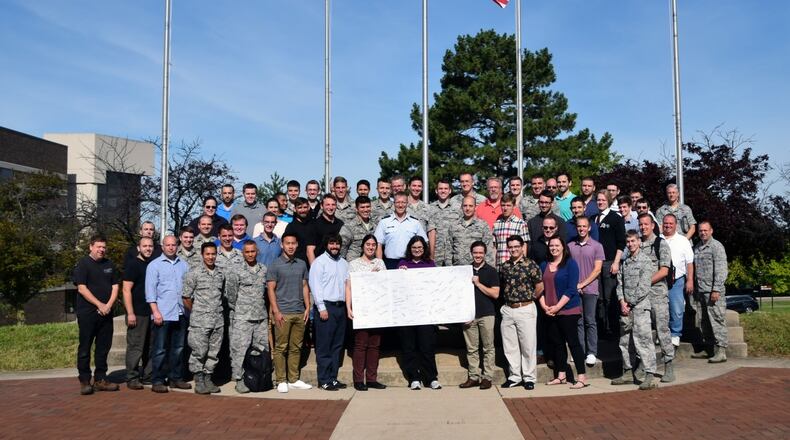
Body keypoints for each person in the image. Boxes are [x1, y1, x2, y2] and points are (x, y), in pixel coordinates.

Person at [73, 234, 120, 395]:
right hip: (88, 313)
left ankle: (100, 379)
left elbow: (115, 286)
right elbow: (82, 288)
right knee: (85, 347)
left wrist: (108, 305)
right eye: (98, 247)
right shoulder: (83, 264)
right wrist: (99, 304)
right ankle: (85, 380)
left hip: (106, 313)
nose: (101, 250)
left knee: (103, 348)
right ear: (91, 247)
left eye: (104, 247)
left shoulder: (109, 264)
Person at [539, 236, 588, 389]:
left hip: (567, 310)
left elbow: (571, 289)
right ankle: (561, 375)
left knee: (573, 343)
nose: (554, 248)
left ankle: (581, 377)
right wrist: (544, 306)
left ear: (563, 247)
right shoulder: (544, 265)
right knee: (557, 344)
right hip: (550, 311)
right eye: (551, 245)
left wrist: (557, 307)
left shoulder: (570, 264)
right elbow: (539, 288)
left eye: (557, 245)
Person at [611, 231, 658, 390]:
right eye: (628, 242)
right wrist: (622, 301)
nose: (630, 244)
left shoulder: (645, 261)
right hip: (626, 309)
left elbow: (644, 287)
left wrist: (629, 303)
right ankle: (627, 371)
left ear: (639, 242)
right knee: (625, 342)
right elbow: (620, 284)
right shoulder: (625, 262)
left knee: (643, 341)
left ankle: (649, 374)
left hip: (640, 308)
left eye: (633, 241)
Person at [267, 232, 313, 393]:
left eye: (293, 243)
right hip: (282, 313)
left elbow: (305, 286)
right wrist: (276, 311)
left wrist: (308, 307)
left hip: (299, 312)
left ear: (297, 244)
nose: (291, 246)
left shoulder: (301, 264)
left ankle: (293, 379)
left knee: (296, 347)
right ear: (282, 245)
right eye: (287, 243)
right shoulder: (275, 265)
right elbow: (271, 289)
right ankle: (281, 380)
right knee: (281, 347)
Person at [146, 235, 191, 393]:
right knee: (159, 349)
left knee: (178, 348)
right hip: (163, 314)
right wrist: (155, 312)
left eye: (174, 245)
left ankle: (175, 378)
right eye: (168, 245)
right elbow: (150, 292)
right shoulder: (154, 265)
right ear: (162, 246)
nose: (171, 247)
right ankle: (158, 380)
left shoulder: (184, 265)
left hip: (180, 313)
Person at [499, 235, 544, 390]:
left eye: (516, 246)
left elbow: (539, 286)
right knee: (510, 346)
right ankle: (514, 376)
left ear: (522, 246)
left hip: (525, 308)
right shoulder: (504, 266)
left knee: (528, 345)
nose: (513, 249)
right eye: (510, 247)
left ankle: (529, 377)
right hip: (508, 309)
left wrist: (530, 298)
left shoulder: (531, 265)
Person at [397, 236, 441, 390]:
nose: (417, 250)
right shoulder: (402, 264)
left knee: (426, 346)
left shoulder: (430, 264)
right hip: (407, 314)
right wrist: (399, 273)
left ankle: (431, 378)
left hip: (425, 312)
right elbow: (397, 287)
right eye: (414, 247)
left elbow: (436, 286)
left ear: (424, 249)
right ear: (410, 248)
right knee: (409, 347)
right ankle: (414, 378)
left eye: (420, 247)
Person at [345, 235, 388, 391]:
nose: (370, 247)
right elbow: (348, 287)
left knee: (374, 345)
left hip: (377, 309)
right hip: (361, 308)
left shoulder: (380, 263)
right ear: (363, 246)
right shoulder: (354, 264)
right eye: (368, 244)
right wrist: (348, 307)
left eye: (373, 245)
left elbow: (386, 284)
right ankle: (358, 380)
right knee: (361, 344)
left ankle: (371, 379)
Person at [182, 242, 226, 395]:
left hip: (217, 320)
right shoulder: (194, 273)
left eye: (213, 254)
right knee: (199, 351)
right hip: (200, 320)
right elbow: (186, 296)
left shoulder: (221, 273)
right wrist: (197, 311)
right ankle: (198, 379)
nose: (210, 257)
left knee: (214, 352)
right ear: (202, 255)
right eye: (207, 254)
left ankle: (208, 377)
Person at [637, 213, 675, 382]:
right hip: (640, 298)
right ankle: (644, 366)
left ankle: (669, 365)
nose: (643, 227)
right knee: (643, 333)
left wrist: (644, 283)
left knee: (662, 331)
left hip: (658, 295)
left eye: (646, 224)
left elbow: (664, 270)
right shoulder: (636, 244)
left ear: (652, 225)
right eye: (641, 224)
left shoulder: (661, 244)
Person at [227, 241, 269, 394]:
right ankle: (239, 379)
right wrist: (239, 308)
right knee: (240, 350)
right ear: (243, 253)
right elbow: (231, 295)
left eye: (253, 251)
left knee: (262, 349)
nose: (250, 254)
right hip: (242, 317)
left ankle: (261, 376)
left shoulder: (263, 269)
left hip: (260, 317)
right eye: (247, 252)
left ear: (257, 251)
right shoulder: (236, 271)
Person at [310, 234, 350, 391]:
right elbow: (315, 286)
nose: (335, 247)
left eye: (337, 244)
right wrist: (321, 307)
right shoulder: (319, 262)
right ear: (326, 244)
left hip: (341, 307)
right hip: (326, 307)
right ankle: (324, 379)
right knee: (324, 346)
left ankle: (333, 378)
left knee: (337, 345)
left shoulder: (344, 263)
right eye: (332, 244)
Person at [459, 241, 500, 390]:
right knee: (472, 348)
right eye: (475, 253)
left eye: (480, 253)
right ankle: (474, 376)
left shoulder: (491, 271)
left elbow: (495, 294)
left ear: (484, 253)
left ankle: (487, 377)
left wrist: (478, 284)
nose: (478, 255)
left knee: (488, 347)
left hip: (486, 314)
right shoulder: (465, 271)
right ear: (471, 253)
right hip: (469, 315)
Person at [568, 216, 605, 367]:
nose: (582, 229)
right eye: (579, 226)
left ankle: (591, 352)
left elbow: (597, 270)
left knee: (590, 321)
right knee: (578, 322)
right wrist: (575, 286)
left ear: (589, 228)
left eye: (584, 226)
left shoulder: (597, 246)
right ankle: (580, 350)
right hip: (575, 289)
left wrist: (582, 284)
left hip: (590, 289)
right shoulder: (570, 246)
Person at [691, 221, 729, 363]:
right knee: (704, 322)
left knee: (717, 320)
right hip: (701, 291)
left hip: (713, 292)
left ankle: (721, 350)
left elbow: (721, 270)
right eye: (701, 231)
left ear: (711, 231)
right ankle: (710, 349)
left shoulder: (716, 247)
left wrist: (716, 289)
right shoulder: (697, 247)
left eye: (706, 230)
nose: (703, 233)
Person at [122, 237, 154, 390]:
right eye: (145, 246)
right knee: (136, 346)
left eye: (150, 246)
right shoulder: (133, 265)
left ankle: (148, 376)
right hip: (138, 313)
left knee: (150, 347)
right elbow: (126, 289)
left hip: (152, 312)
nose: (148, 248)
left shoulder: (153, 264)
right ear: (138, 248)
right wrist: (130, 313)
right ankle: (132, 377)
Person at [594, 189, 625, 336]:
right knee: (598, 298)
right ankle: (601, 329)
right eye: (598, 200)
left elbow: (621, 242)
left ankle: (612, 329)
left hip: (609, 262)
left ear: (609, 201)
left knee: (609, 298)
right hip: (596, 264)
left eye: (603, 200)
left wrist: (616, 262)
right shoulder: (593, 218)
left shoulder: (616, 218)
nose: (600, 202)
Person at [661, 214, 695, 348]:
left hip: (678, 280)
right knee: (661, 310)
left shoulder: (683, 240)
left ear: (675, 225)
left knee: (676, 308)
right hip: (660, 280)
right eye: (665, 223)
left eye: (670, 223)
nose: (668, 225)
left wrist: (690, 280)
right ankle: (663, 334)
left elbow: (690, 262)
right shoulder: (658, 239)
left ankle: (675, 334)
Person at [374, 192, 428, 269]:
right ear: (393, 203)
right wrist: (380, 263)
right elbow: (378, 244)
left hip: (409, 262)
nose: (400, 205)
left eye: (403, 202)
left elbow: (424, 243)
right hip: (390, 263)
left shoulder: (415, 222)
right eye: (398, 202)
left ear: (407, 203)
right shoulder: (384, 222)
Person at [446, 195, 495, 267]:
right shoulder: (453, 226)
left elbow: (488, 251)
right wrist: (449, 268)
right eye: (465, 206)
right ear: (461, 207)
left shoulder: (483, 226)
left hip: (477, 269)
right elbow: (448, 250)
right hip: (457, 269)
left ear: (475, 207)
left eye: (470, 206)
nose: (467, 208)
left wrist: (488, 271)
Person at [429, 178, 460, 266]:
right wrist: (431, 256)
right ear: (436, 191)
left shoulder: (457, 208)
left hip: (453, 255)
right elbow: (431, 232)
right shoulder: (430, 208)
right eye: (440, 189)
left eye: (446, 189)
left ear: (450, 191)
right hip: (436, 255)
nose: (443, 191)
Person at [493, 193, 528, 268]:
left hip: (515, 266)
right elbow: (494, 247)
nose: (505, 208)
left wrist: (523, 265)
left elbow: (524, 246)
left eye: (508, 205)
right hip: (500, 266)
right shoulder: (496, 224)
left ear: (514, 206)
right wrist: (493, 265)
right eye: (503, 205)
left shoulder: (521, 224)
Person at [308, 194, 345, 264]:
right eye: (327, 205)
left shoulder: (340, 224)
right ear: (322, 206)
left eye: (333, 205)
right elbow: (310, 250)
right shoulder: (314, 225)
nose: (330, 207)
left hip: (337, 263)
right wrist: (314, 269)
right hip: (321, 265)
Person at [339, 196, 376, 261]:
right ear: (356, 209)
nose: (365, 210)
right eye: (362, 207)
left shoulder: (375, 225)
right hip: (354, 265)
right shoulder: (349, 226)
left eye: (368, 207)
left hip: (371, 264)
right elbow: (342, 248)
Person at [284, 197, 313, 262]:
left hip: (313, 262)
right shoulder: (291, 227)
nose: (303, 210)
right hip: (297, 262)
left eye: (305, 207)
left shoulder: (314, 224)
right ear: (294, 209)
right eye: (300, 208)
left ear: (308, 208)